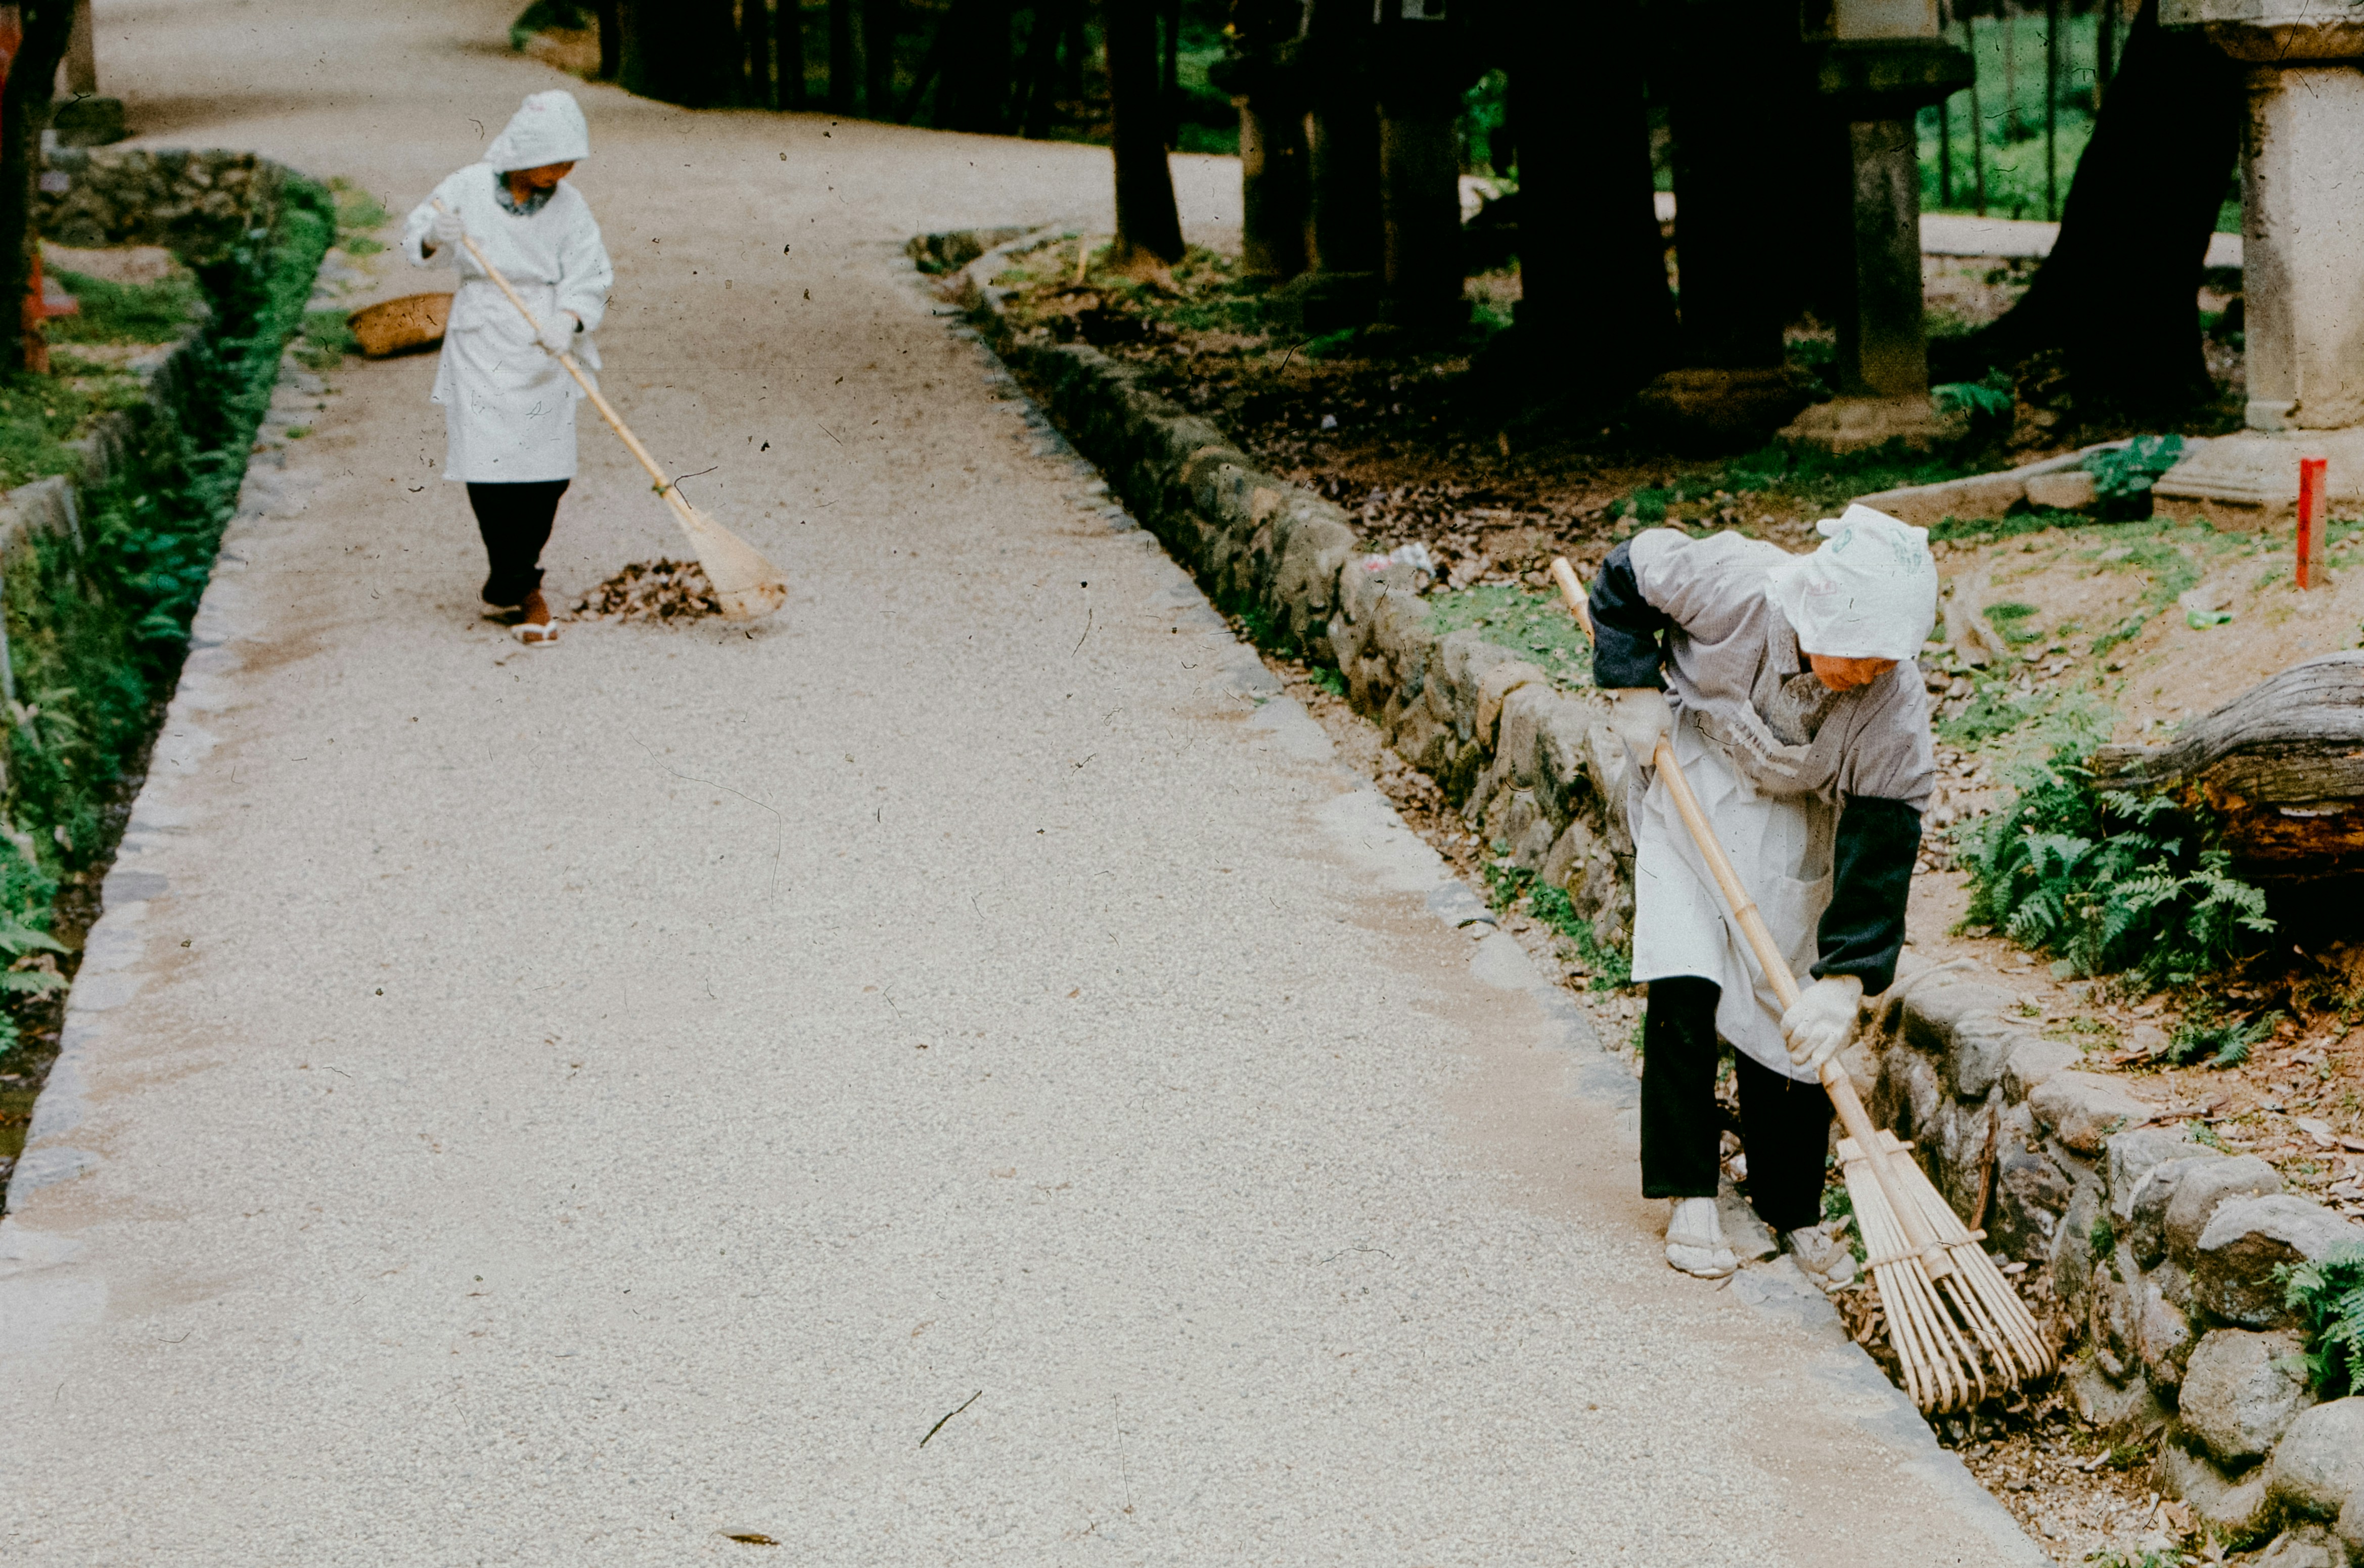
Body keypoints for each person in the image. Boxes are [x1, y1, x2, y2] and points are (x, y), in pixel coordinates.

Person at [1587, 504, 1938, 1282]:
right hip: (1691, 786)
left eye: (1887, 660)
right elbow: (1623, 575)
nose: (1871, 674)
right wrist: (1631, 688)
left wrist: (1847, 979)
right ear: (1818, 608)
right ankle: (1691, 1193)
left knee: (1793, 1013)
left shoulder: (1891, 696)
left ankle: (1793, 1210)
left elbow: (1884, 834)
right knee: (1685, 982)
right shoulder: (1736, 586)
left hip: (1793, 816)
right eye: (1861, 656)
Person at [402, 90, 614, 645]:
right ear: (522, 153)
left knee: (550, 469)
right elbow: (420, 235)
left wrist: (568, 319)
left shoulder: (571, 208)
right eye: (555, 161)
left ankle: (510, 575)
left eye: (571, 163)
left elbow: (591, 271)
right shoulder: (468, 187)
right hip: (484, 335)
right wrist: (432, 236)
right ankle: (522, 584)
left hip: (544, 336)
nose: (563, 173)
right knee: (490, 463)